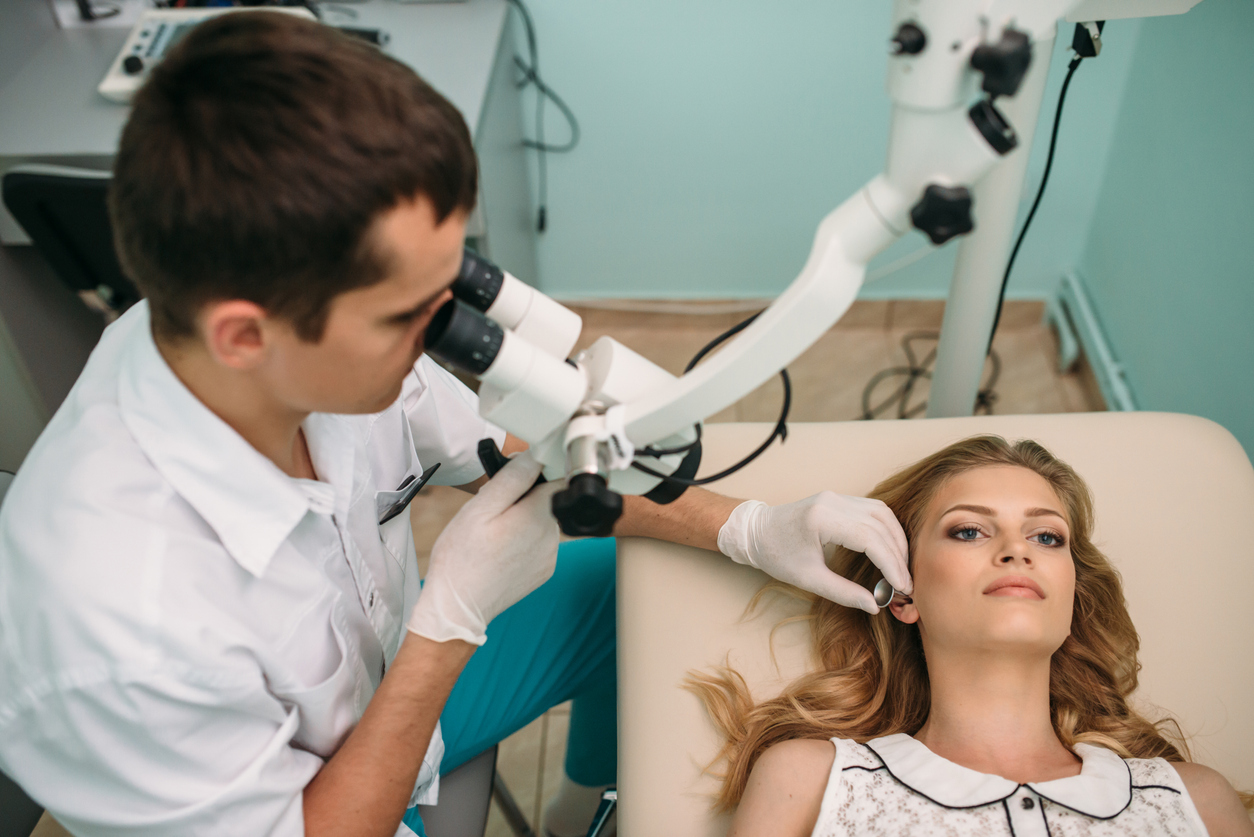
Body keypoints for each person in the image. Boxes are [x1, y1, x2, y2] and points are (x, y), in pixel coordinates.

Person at [0, 13, 914, 837]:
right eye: (410, 316)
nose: (448, 335)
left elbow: (511, 450)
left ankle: (585, 811)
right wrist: (450, 626)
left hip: (383, 667)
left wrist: (746, 525)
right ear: (247, 332)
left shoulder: (274, 344)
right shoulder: (121, 626)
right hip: (313, 805)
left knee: (620, 577)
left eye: (459, 287)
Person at [691, 436, 1254, 837]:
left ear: (1072, 595)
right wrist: (746, 529)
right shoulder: (812, 778)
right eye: (968, 530)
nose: (1018, 550)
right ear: (904, 594)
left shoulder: (1194, 799)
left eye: (1048, 537)